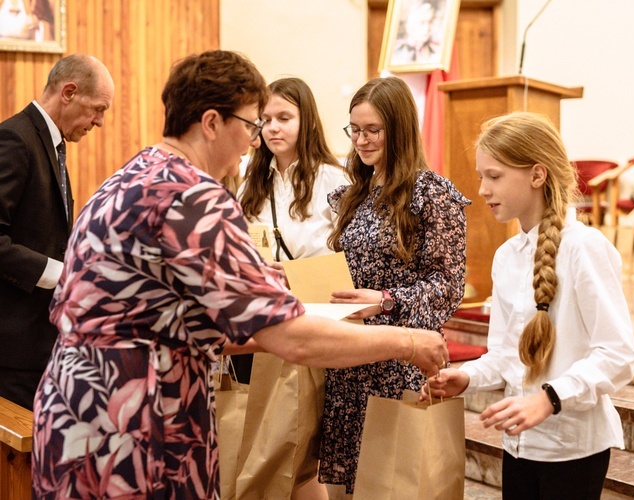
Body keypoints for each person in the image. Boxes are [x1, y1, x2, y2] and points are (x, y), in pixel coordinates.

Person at [30, 50, 449, 499]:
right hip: (137, 425)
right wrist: (407, 341)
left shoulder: (124, 179)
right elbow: (290, 338)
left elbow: (191, 325)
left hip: (71, 413)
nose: (255, 141)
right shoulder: (195, 197)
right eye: (251, 125)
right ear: (212, 122)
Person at [424, 111, 634, 499]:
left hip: (572, 448)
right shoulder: (508, 255)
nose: (483, 190)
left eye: (494, 176)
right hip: (519, 445)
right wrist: (467, 377)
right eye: (481, 176)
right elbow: (507, 354)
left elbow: (618, 354)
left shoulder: (583, 249)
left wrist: (551, 398)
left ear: (537, 175)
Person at [320, 76, 470, 496]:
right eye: (354, 129)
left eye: (373, 130)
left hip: (401, 357)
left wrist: (386, 302)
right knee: (349, 488)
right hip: (350, 360)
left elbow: (449, 286)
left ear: (399, 130)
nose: (361, 140)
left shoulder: (431, 193)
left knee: (395, 484)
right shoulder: (353, 195)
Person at [237, 76, 348, 499]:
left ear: (307, 121)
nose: (272, 128)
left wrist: (290, 271)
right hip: (259, 317)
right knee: (260, 438)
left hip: (310, 316)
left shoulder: (332, 179)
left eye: (284, 117)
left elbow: (340, 257)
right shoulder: (250, 175)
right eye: (265, 119)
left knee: (299, 443)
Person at [0, 54, 114, 411]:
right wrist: (61, 274)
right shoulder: (15, 139)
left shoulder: (52, 144)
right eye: (98, 109)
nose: (99, 122)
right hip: (13, 349)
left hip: (42, 341)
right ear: (68, 92)